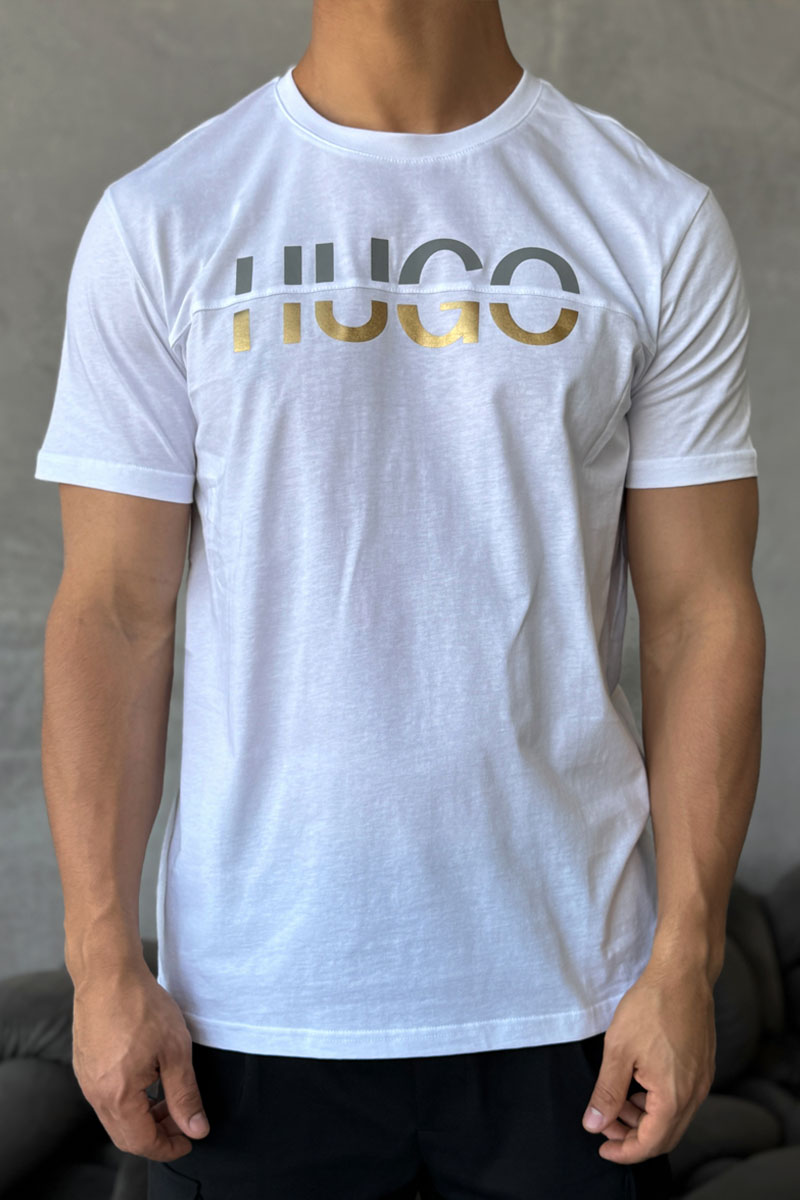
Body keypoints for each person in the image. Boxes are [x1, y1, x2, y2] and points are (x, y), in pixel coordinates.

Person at [34, 1, 765, 1197]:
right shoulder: (166, 218)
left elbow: (699, 615)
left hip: (572, 1005)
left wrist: (683, 958)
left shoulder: (649, 219)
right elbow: (113, 614)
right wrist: (102, 961)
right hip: (252, 1007)